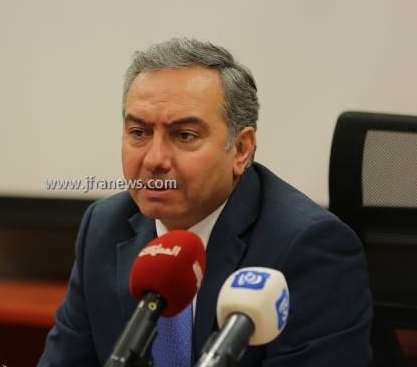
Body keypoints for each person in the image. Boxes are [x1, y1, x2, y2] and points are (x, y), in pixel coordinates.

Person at [38, 38, 372, 366]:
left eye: (184, 136)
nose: (155, 159)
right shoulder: (104, 227)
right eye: (139, 133)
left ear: (241, 150)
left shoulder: (307, 247)